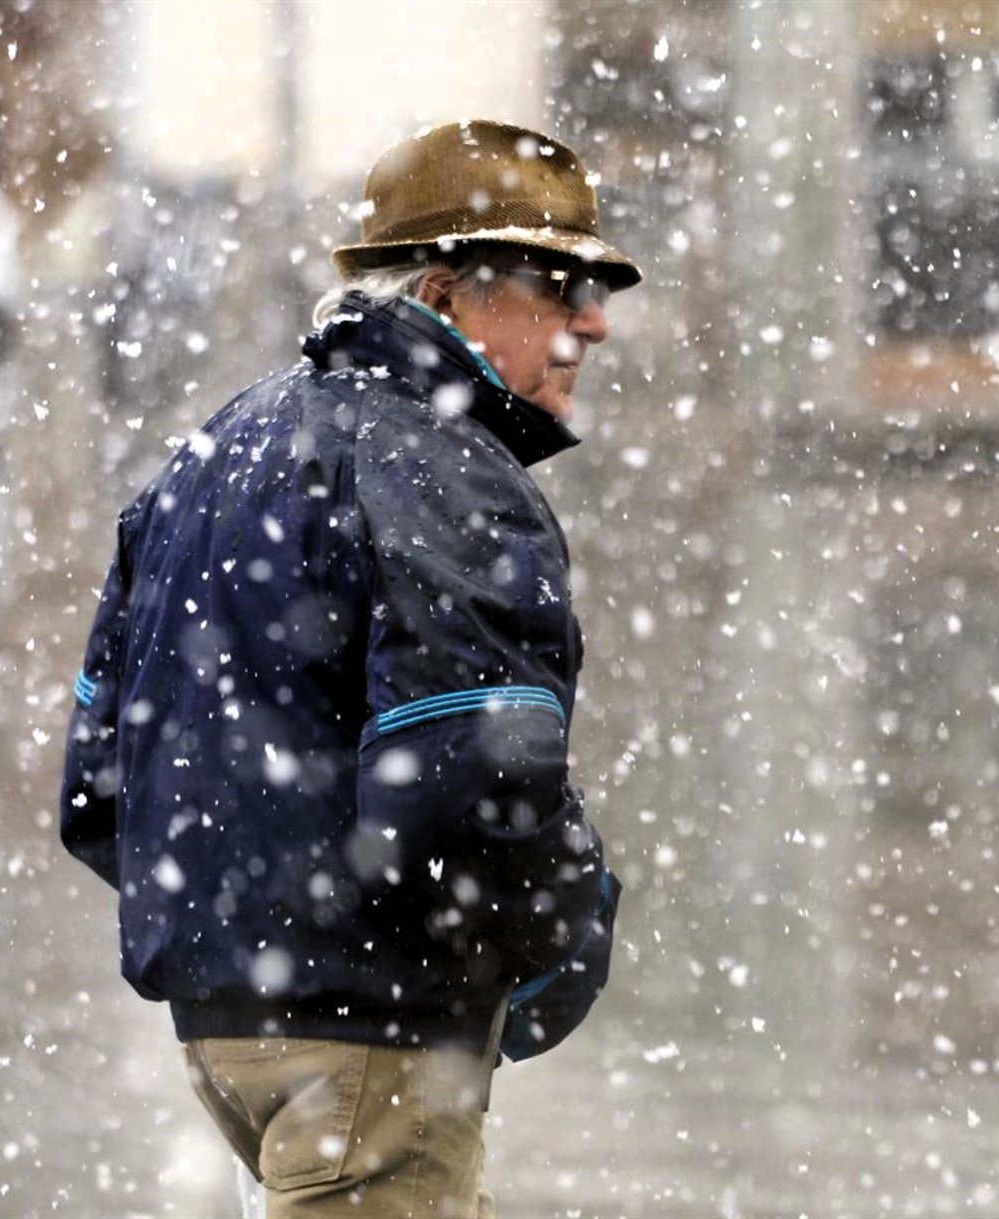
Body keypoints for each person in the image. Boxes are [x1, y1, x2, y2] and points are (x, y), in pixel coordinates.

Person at [58, 120, 638, 1216]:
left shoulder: (211, 455)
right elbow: (476, 782)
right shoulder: (448, 473)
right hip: (374, 1044)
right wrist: (569, 935)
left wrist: (244, 944)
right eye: (558, 285)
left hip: (230, 1037)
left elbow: (101, 791)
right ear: (443, 294)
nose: (593, 324)